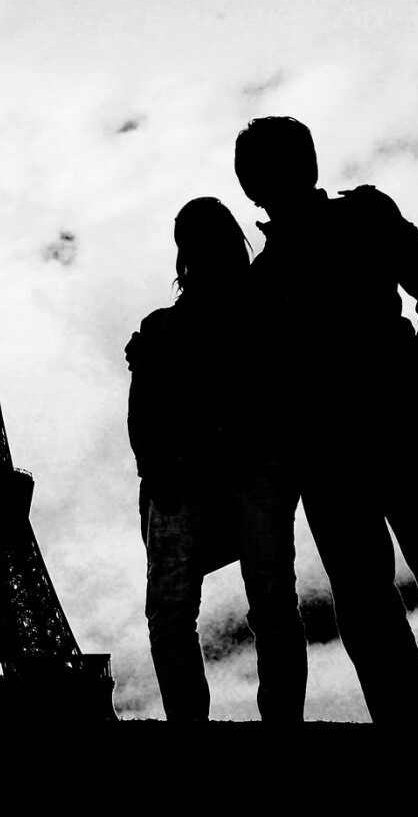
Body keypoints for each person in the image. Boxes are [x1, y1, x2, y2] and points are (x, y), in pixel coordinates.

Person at [235, 115, 418, 721]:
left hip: (383, 430)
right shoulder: (271, 273)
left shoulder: (356, 218)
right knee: (387, 597)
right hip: (345, 445)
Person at [128, 197, 306, 721]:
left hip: (200, 472)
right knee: (269, 601)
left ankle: (192, 722)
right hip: (229, 469)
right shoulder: (261, 307)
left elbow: (144, 409)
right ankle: (280, 722)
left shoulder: (166, 328)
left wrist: (155, 469)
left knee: (175, 610)